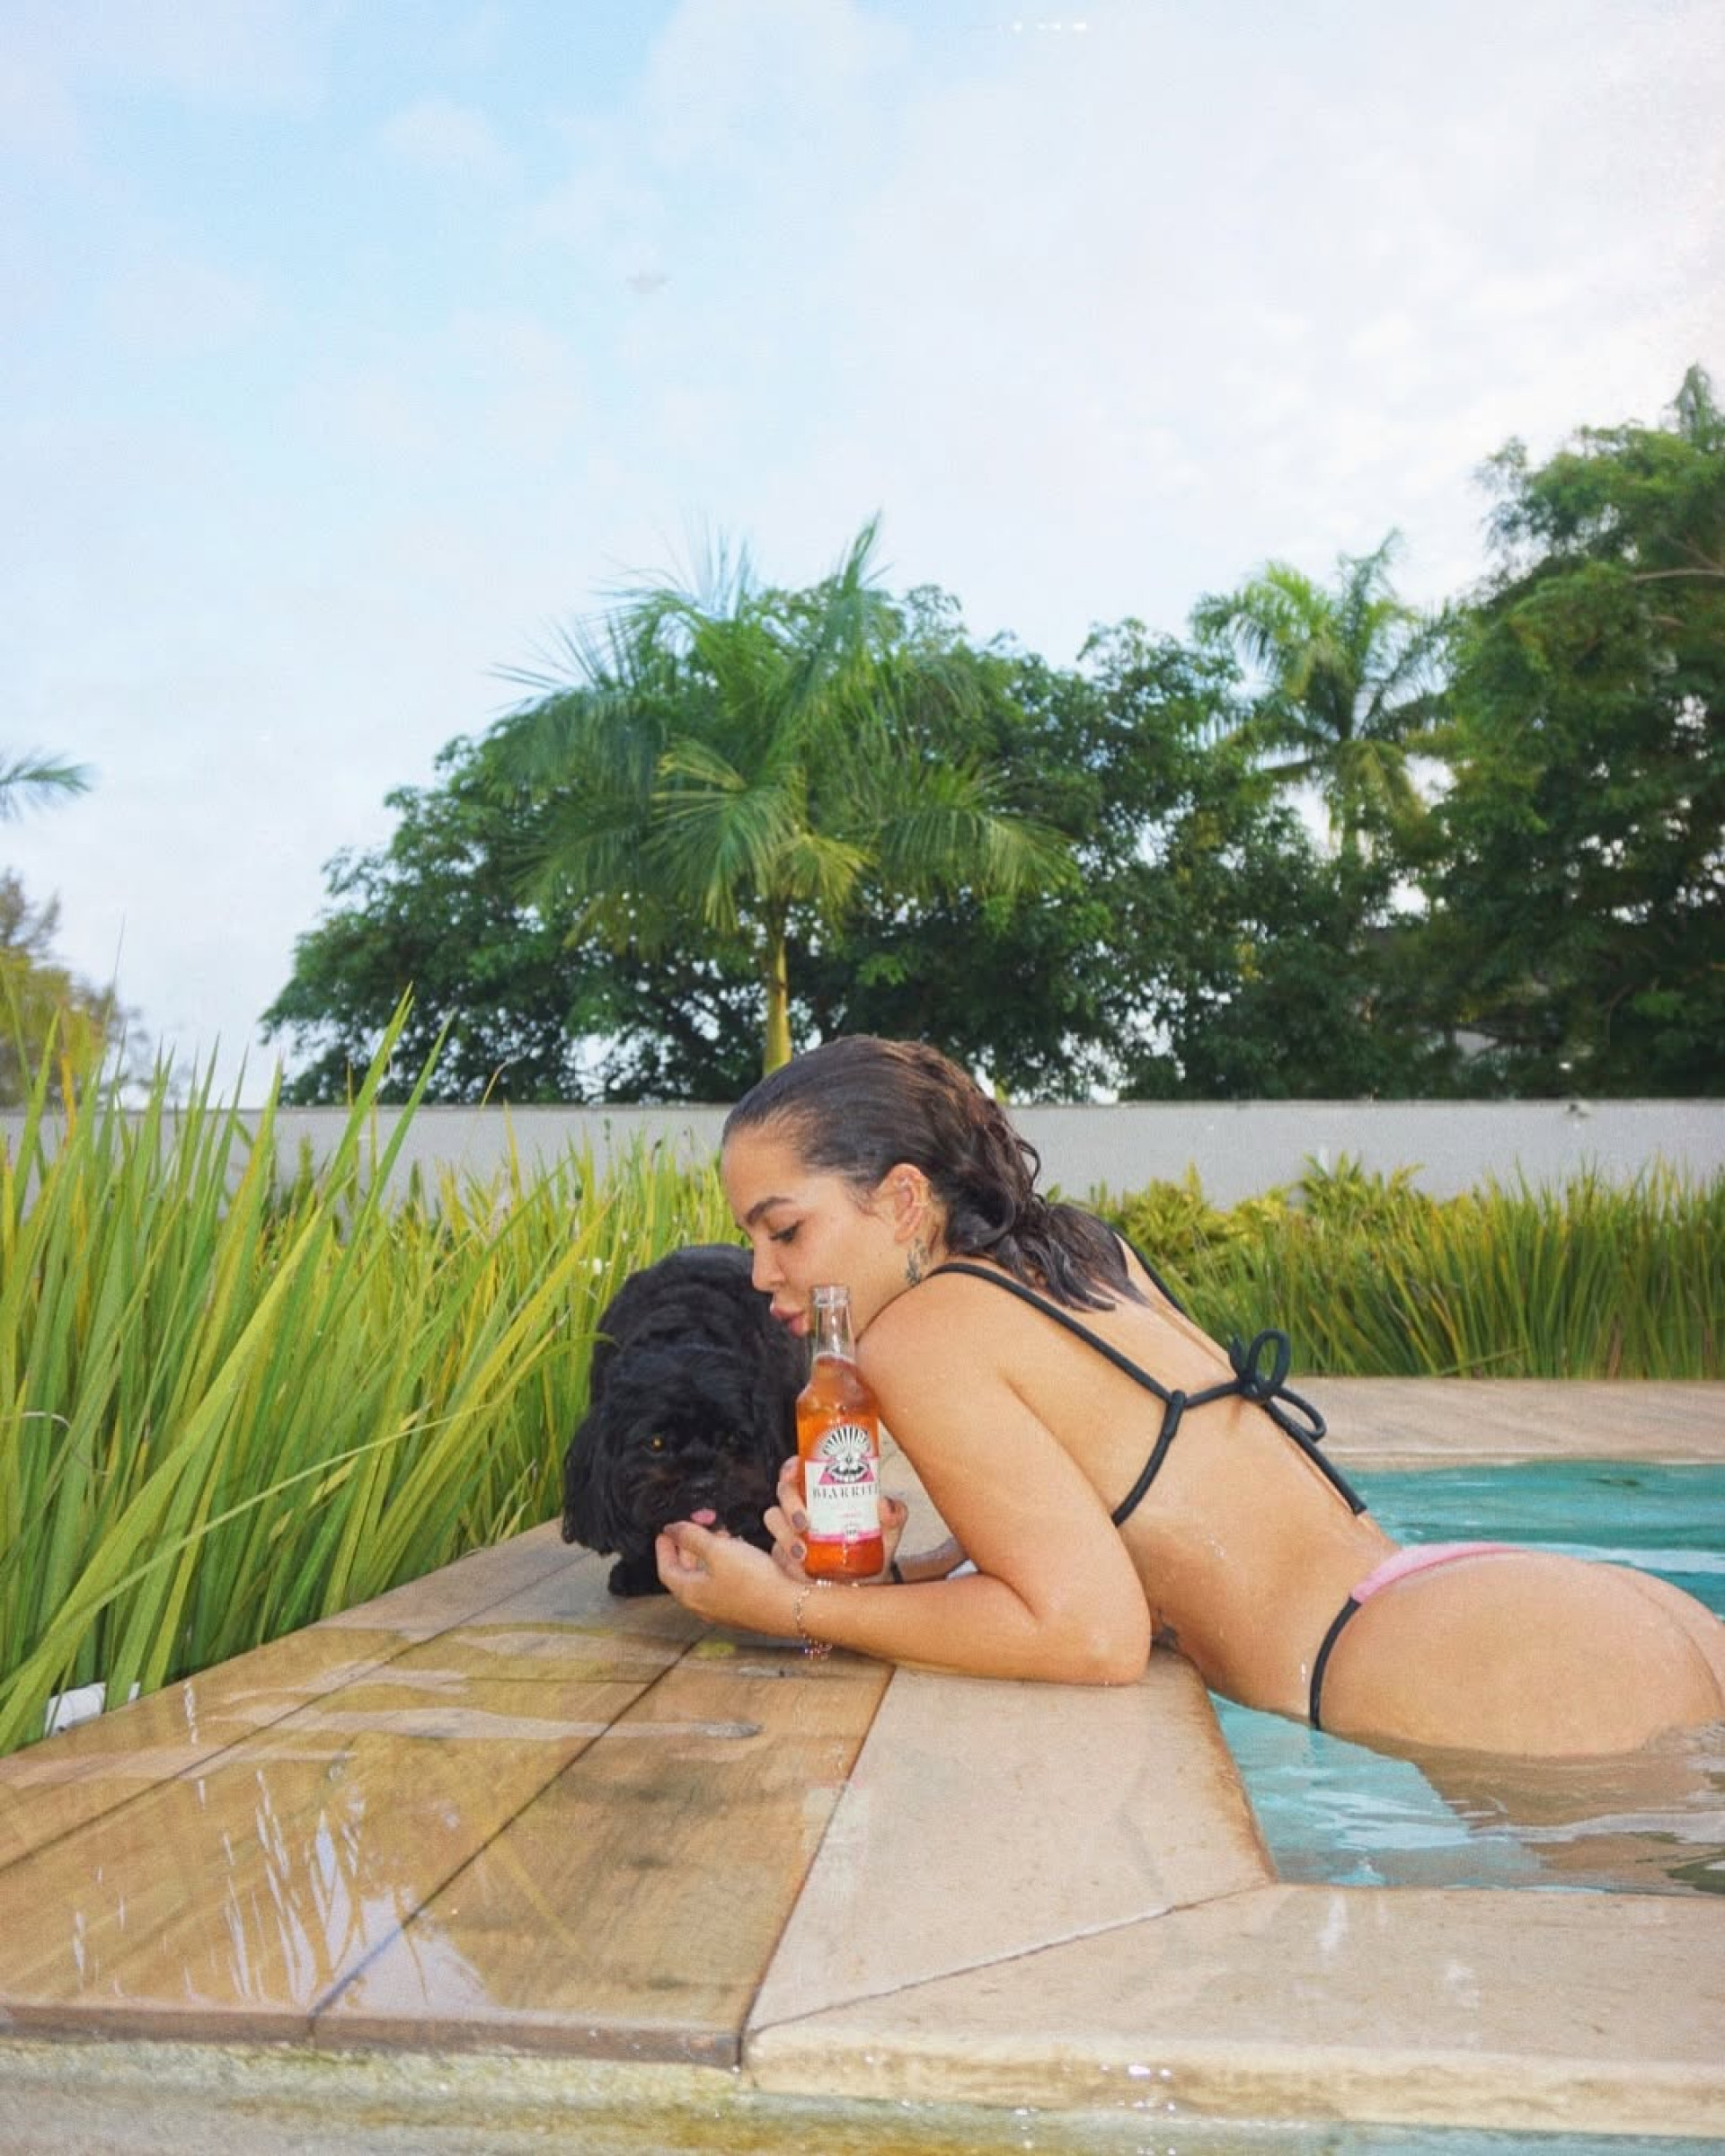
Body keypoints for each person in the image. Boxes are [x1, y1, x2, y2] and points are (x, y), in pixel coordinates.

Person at [654, 1036, 1725, 1759]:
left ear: (900, 1199)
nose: (760, 1274)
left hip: (1452, 1664)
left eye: (784, 1229)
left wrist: (781, 1606)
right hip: (1486, 1603)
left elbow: (1090, 1636)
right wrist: (903, 1572)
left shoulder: (919, 1332)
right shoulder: (1083, 1252)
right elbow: (1140, 1529)